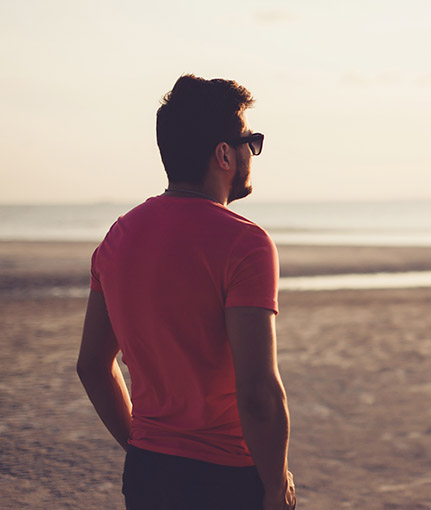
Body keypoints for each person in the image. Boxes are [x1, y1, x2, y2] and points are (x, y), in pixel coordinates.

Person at [76, 74, 296, 510]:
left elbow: (92, 366)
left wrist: (142, 446)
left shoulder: (119, 236)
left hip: (147, 473)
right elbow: (257, 392)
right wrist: (274, 486)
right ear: (223, 154)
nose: (253, 153)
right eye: (250, 142)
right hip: (226, 478)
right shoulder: (244, 242)